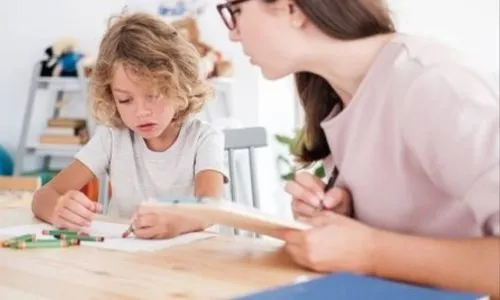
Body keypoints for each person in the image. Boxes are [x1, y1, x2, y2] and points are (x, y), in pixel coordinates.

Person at [216, 0, 499, 297]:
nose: (233, 35)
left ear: (292, 9)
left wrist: (368, 250)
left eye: (236, 12)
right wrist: (346, 218)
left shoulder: (433, 84)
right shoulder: (341, 97)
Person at [32, 12, 226, 240]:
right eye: (125, 100)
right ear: (110, 96)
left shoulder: (203, 137)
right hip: (124, 261)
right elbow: (43, 196)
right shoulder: (113, 137)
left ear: (180, 86)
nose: (141, 111)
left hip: (187, 262)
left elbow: (211, 206)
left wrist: (176, 221)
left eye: (153, 95)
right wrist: (57, 209)